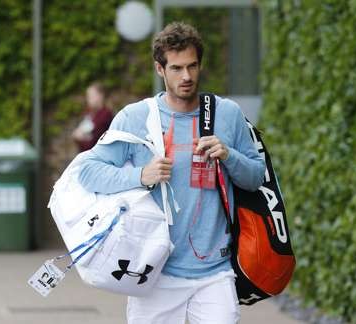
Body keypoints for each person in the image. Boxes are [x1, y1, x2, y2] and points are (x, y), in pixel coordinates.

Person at [78, 22, 265, 324]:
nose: (187, 76)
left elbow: (256, 178)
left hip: (215, 273)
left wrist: (229, 156)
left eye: (192, 66)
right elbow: (88, 172)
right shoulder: (136, 117)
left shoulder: (226, 114)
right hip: (154, 274)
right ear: (159, 69)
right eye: (177, 68)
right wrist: (141, 175)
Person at [72, 82, 113, 152]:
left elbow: (94, 145)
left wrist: (79, 138)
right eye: (88, 96)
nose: (88, 99)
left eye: (91, 96)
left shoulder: (105, 115)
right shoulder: (90, 114)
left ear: (100, 96)